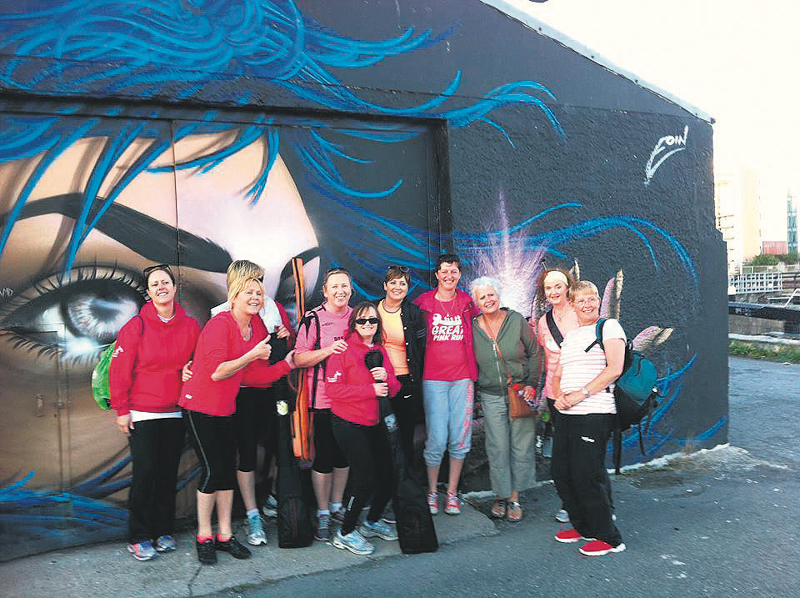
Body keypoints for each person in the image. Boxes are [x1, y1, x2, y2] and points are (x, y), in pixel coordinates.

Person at [179, 273, 295, 565]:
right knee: (212, 471)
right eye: (248, 292)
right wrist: (252, 354)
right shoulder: (220, 324)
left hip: (225, 408)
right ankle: (204, 536)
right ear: (234, 297)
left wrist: (285, 365)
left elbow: (253, 376)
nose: (255, 297)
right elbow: (217, 371)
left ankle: (226, 535)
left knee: (226, 473)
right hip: (199, 406)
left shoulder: (256, 327)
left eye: (258, 293)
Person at [109, 264, 200, 561]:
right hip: (142, 413)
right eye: (155, 284)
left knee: (167, 474)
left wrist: (191, 368)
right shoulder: (136, 326)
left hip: (175, 412)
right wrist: (121, 409)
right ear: (148, 293)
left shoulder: (190, 326)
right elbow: (119, 371)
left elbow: (200, 361)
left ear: (174, 287)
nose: (161, 287)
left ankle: (162, 531)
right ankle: (138, 536)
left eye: (165, 282)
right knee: (145, 474)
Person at [210, 260, 295, 546]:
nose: (259, 288)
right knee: (246, 453)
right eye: (253, 282)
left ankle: (270, 496)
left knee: (277, 447)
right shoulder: (221, 316)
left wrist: (285, 338)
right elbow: (216, 360)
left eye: (260, 282)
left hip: (273, 388)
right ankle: (251, 513)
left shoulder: (270, 309)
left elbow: (283, 348)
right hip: (242, 393)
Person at [551, 280, 626, 556]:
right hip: (567, 412)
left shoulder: (609, 327)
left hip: (595, 412)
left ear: (598, 301)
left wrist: (579, 394)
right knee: (561, 472)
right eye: (581, 300)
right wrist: (560, 395)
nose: (587, 304)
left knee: (587, 475)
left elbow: (614, 369)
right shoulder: (571, 336)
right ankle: (583, 526)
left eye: (591, 298)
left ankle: (609, 538)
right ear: (572, 304)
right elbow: (559, 373)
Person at [326, 301, 402, 555]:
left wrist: (387, 379)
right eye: (362, 320)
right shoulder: (343, 350)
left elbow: (394, 389)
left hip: (374, 422)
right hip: (347, 422)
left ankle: (371, 521)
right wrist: (370, 389)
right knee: (365, 478)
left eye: (372, 320)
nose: (368, 324)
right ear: (354, 324)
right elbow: (333, 390)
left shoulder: (380, 350)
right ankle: (345, 532)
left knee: (389, 474)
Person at [414, 254, 479, 516]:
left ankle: (452, 493)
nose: (449, 276)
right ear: (437, 275)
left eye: (454, 271)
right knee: (437, 438)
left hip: (463, 378)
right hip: (433, 379)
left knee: (460, 438)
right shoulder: (423, 303)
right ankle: (432, 491)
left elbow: (484, 327)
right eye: (444, 271)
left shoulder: (467, 302)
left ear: (459, 275)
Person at [470, 277, 540, 522]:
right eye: (482, 297)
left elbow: (534, 352)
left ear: (498, 296)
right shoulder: (473, 327)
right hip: (491, 395)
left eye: (491, 295)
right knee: (497, 447)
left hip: (520, 392)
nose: (488, 300)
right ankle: (500, 495)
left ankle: (514, 498)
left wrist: (532, 384)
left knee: (520, 446)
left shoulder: (516, 320)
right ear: (476, 302)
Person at [293, 267, 353, 542]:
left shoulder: (358, 316)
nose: (340, 291)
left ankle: (337, 505)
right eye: (335, 286)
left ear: (351, 290)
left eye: (345, 286)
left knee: (344, 455)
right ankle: (323, 511)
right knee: (325, 457)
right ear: (325, 291)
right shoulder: (313, 318)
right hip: (323, 400)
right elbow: (298, 358)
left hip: (352, 399)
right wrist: (329, 350)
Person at [534, 268, 579, 524]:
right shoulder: (543, 322)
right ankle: (569, 503)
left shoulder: (580, 312)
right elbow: (546, 360)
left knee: (580, 451)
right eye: (548, 288)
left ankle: (592, 501)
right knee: (562, 452)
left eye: (558, 286)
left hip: (580, 393)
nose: (553, 292)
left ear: (568, 287)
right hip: (555, 395)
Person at [376, 265, 426, 465]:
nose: (398, 287)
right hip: (378, 382)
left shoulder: (413, 313)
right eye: (393, 282)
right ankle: (385, 479)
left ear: (407, 287)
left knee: (405, 435)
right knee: (381, 435)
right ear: (385, 286)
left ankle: (406, 479)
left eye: (402, 283)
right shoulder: (372, 310)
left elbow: (420, 348)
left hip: (405, 382)